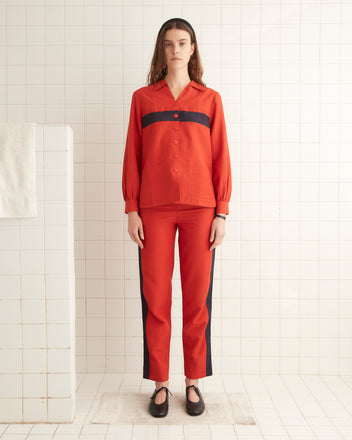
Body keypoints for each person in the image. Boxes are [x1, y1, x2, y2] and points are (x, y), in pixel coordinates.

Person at [122, 17, 232, 418]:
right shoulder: (143, 99)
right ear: (161, 50)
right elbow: (132, 156)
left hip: (201, 210)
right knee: (157, 298)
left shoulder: (210, 99)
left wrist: (221, 211)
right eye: (169, 44)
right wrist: (131, 208)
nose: (176, 50)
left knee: (197, 299)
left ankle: (193, 381)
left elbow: (221, 157)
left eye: (182, 43)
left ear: (192, 49)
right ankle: (160, 383)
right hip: (153, 210)